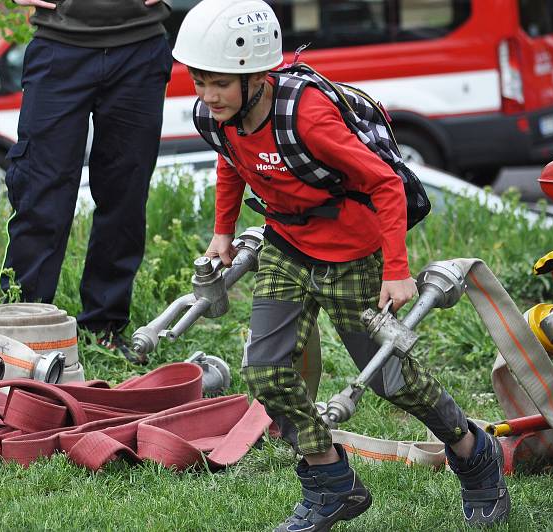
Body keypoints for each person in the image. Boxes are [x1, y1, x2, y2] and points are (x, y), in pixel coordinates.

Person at [172, 1, 510, 530]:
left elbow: (385, 183)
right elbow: (232, 157)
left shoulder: (306, 114)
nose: (207, 94)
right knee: (265, 373)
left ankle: (473, 451)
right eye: (199, 80)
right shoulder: (217, 115)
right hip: (287, 246)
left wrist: (396, 268)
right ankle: (332, 484)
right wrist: (222, 231)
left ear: (257, 75)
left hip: (352, 254)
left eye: (218, 83)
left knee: (391, 381)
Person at [2, 0, 173, 364]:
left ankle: (104, 328)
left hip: (140, 49)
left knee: (125, 196)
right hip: (59, 48)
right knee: (41, 191)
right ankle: (20, 328)